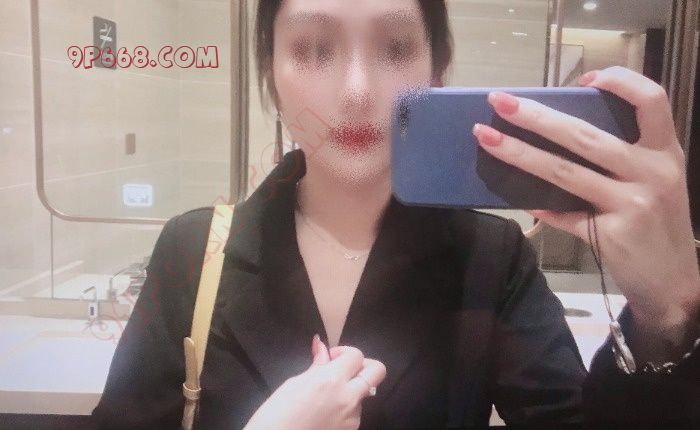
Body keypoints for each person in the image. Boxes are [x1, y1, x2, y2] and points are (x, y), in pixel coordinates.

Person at [91, 0, 700, 428]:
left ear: (436, 70)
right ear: (271, 78)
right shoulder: (195, 250)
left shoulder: (490, 258)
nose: (357, 90)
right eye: (313, 48)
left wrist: (667, 315)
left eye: (396, 47)